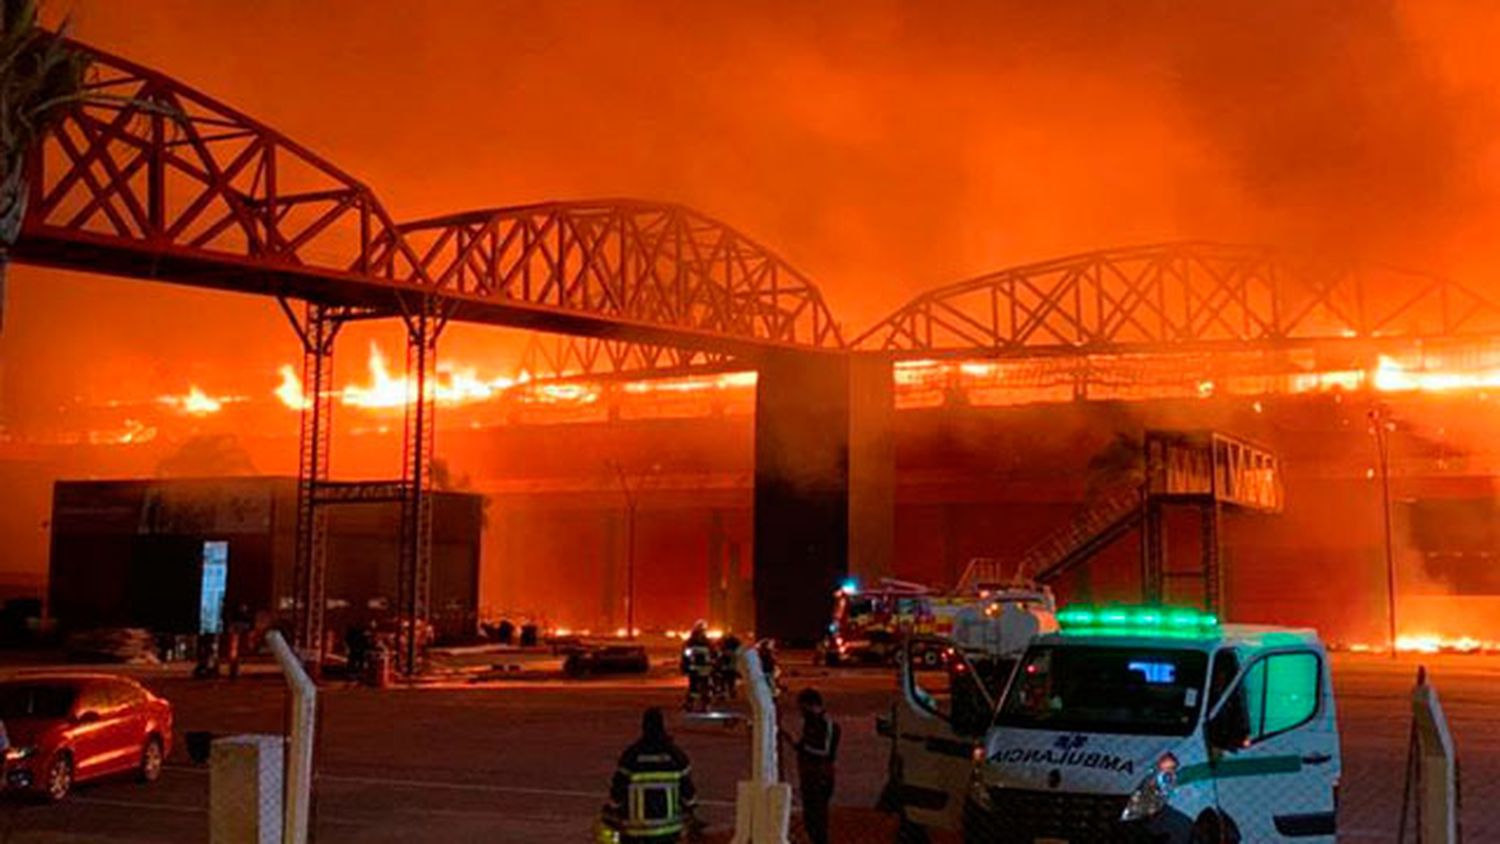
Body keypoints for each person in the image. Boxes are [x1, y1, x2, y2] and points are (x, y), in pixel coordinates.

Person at [605, 708, 698, 842]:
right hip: (668, 831)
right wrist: (690, 811)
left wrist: (612, 810)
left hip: (636, 831)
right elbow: (688, 794)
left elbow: (617, 792)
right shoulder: (676, 756)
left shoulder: (631, 755)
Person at [785, 688, 840, 844]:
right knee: (810, 819)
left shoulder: (828, 725)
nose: (802, 712)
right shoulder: (809, 724)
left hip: (821, 778)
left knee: (819, 819)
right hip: (808, 777)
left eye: (803, 708)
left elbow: (826, 752)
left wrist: (802, 747)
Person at [681, 622, 714, 710]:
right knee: (696, 687)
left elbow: (685, 656)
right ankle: (695, 704)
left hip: (699, 668)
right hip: (700, 669)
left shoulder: (691, 643)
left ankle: (698, 704)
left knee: (698, 687)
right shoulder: (707, 643)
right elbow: (686, 656)